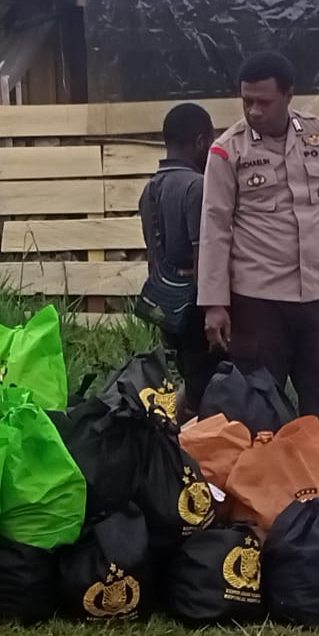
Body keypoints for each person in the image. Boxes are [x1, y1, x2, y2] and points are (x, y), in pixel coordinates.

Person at [198, 51, 319, 439]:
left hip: (314, 298)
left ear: (289, 95)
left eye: (264, 101)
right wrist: (215, 303)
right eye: (247, 101)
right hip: (258, 302)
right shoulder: (228, 150)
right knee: (258, 410)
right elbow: (215, 227)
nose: (254, 110)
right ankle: (265, 494)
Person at [138, 103, 216, 422]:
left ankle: (159, 429)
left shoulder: (150, 189)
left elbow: (153, 254)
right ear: (199, 141)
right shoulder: (196, 186)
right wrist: (213, 307)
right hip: (196, 308)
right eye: (209, 142)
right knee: (207, 390)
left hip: (166, 306)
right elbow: (204, 255)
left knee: (193, 381)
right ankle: (174, 445)